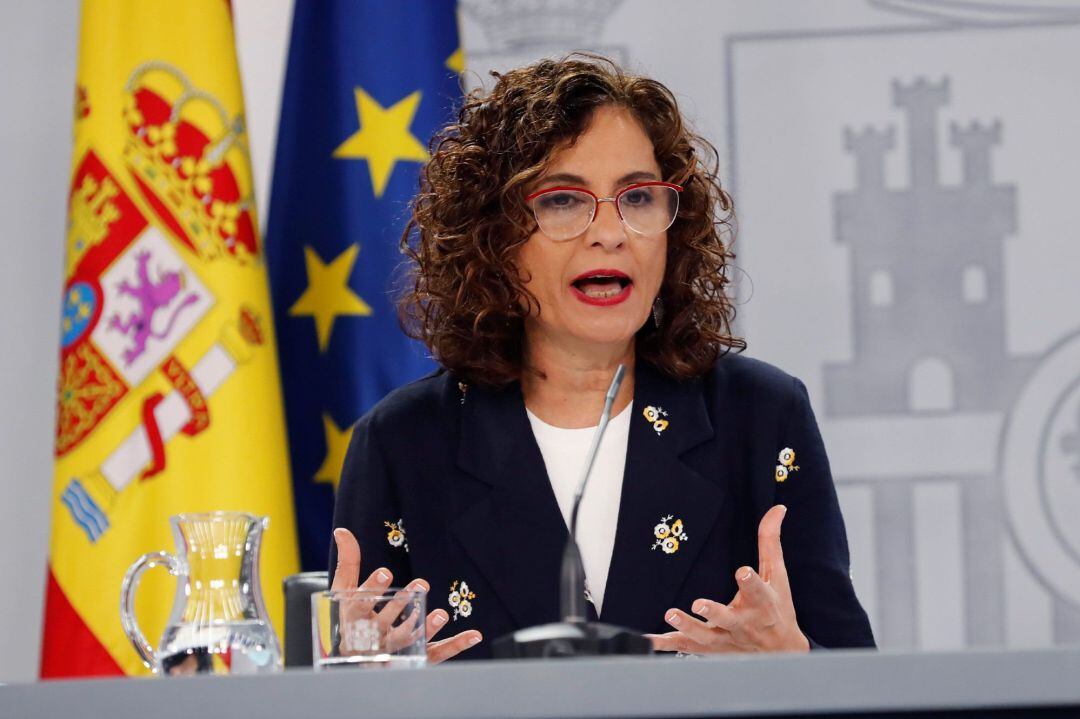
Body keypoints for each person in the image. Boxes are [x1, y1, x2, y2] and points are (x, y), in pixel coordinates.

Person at [329, 54, 875, 663]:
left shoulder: (760, 417)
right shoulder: (404, 443)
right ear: (494, 236)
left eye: (638, 197)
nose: (610, 232)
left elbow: (856, 679)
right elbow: (358, 672)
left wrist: (792, 662)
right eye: (564, 201)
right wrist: (363, 688)